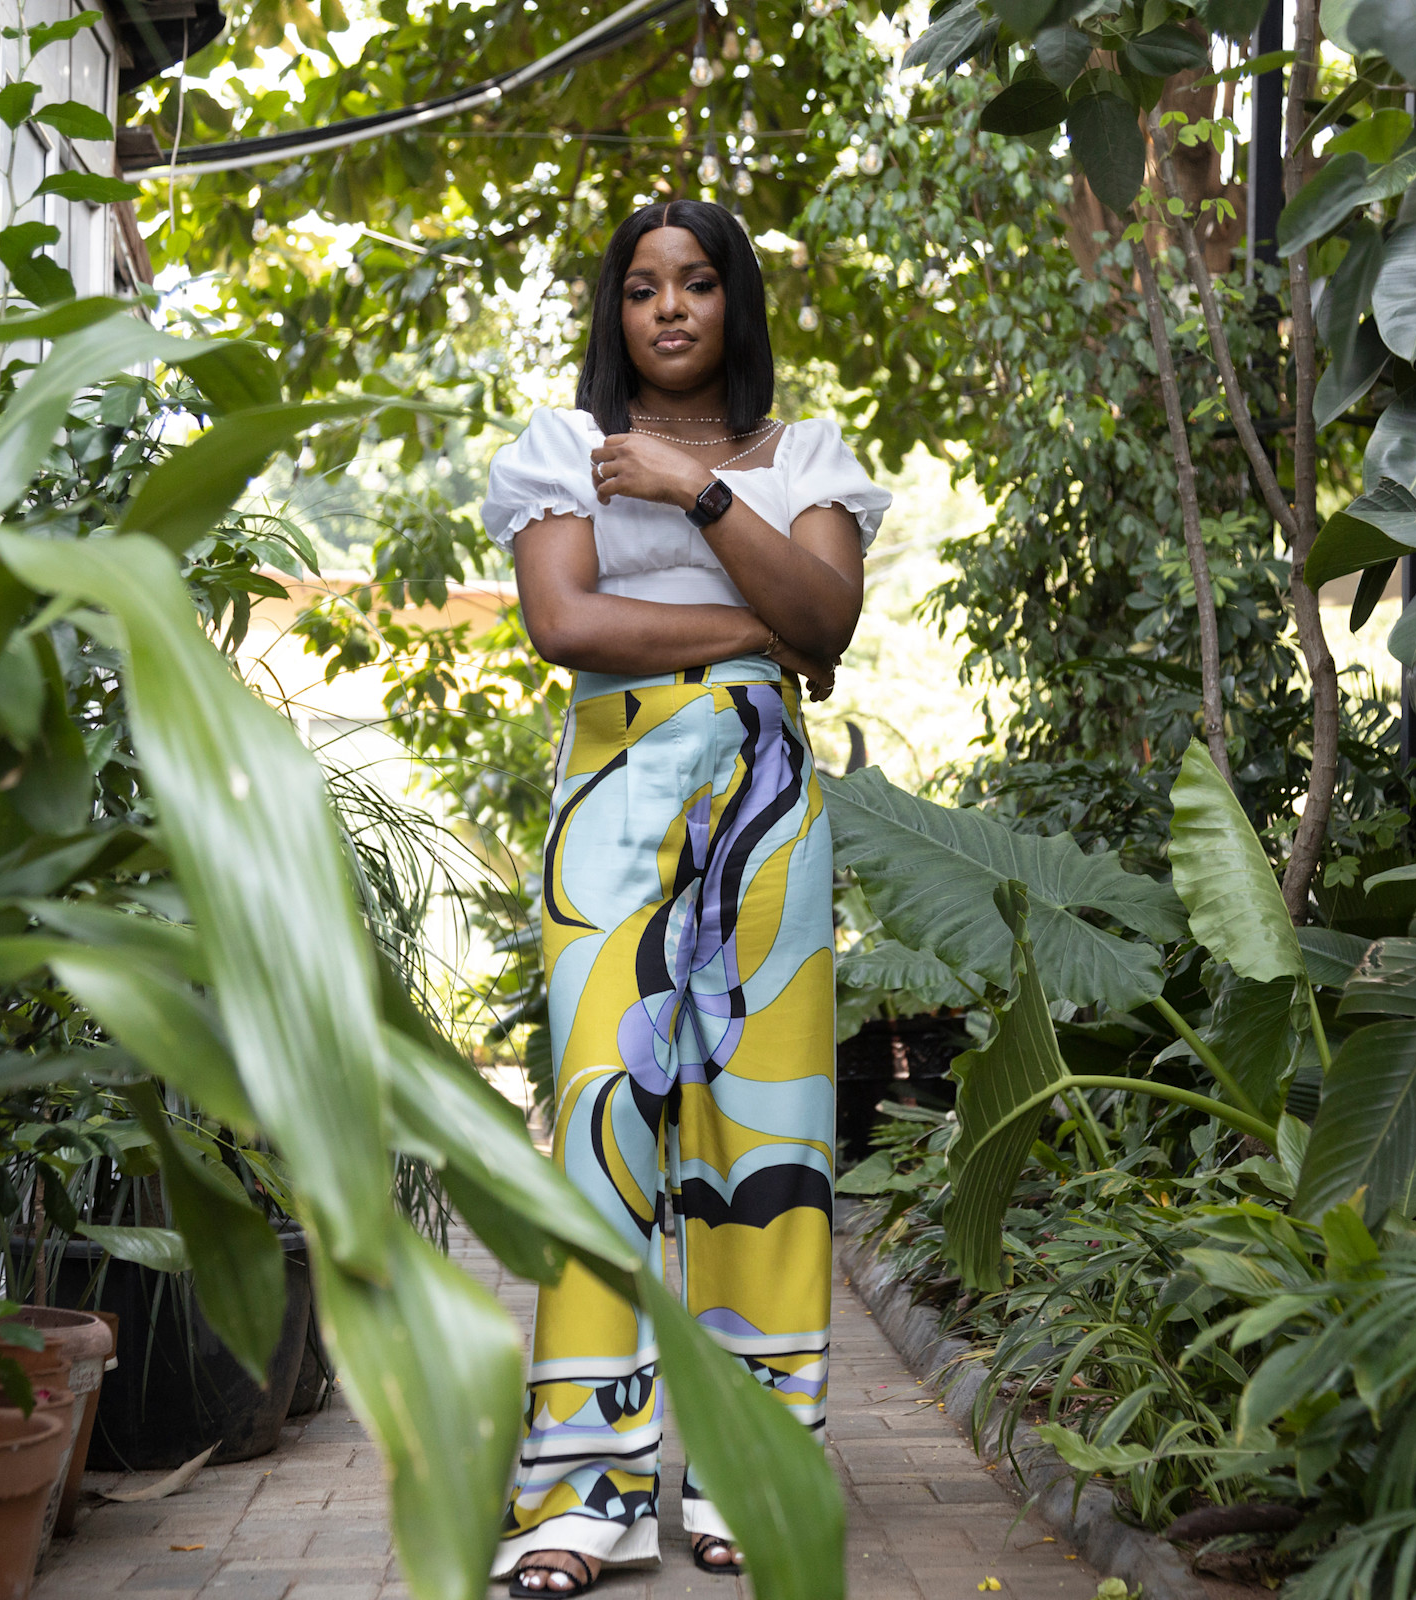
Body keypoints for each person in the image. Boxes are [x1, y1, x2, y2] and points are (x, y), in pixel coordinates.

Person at [478, 199, 890, 1595]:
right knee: (605, 1113)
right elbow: (566, 624)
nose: (668, 309)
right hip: (614, 801)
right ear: (615, 309)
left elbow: (833, 621)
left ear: (735, 305)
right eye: (642, 286)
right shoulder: (559, 450)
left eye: (698, 283)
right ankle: (580, 1495)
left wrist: (696, 491)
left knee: (762, 1128)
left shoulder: (809, 457)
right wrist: (754, 626)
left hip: (768, 814)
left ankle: (751, 1469)